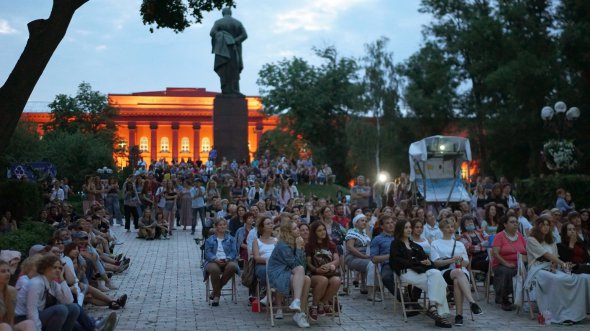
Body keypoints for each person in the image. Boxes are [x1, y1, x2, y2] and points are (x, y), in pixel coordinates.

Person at [524, 217, 590, 325]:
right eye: (543, 225)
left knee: (571, 278)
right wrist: (562, 264)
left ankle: (570, 312)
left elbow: (554, 256)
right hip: (538, 268)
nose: (545, 227)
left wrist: (555, 265)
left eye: (547, 225)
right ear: (537, 226)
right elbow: (546, 254)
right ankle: (556, 313)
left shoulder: (551, 241)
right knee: (558, 279)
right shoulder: (531, 240)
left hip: (551, 267)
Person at [390, 220, 452, 328]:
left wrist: (428, 262)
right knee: (438, 284)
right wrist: (419, 262)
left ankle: (433, 308)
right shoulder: (396, 244)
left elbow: (425, 258)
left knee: (435, 273)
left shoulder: (415, 245)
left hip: (421, 272)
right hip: (406, 273)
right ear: (400, 229)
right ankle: (439, 312)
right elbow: (398, 261)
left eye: (410, 227)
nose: (409, 229)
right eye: (406, 227)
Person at [431, 218, 482, 326]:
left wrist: (461, 261)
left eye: (452, 227)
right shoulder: (436, 243)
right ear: (442, 229)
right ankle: (472, 302)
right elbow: (436, 262)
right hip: (444, 272)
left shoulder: (459, 244)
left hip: (461, 272)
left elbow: (466, 262)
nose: (451, 229)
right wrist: (451, 260)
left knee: (457, 280)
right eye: (447, 227)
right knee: (458, 273)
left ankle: (459, 316)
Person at [15, 255, 80, 331]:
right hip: (24, 318)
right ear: (45, 268)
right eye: (54, 267)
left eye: (60, 268)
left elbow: (69, 301)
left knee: (74, 308)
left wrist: (62, 279)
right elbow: (31, 310)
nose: (58, 270)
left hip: (38, 315)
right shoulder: (36, 283)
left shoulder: (53, 284)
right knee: (60, 309)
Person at [267, 219, 311, 328]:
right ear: (288, 232)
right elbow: (295, 264)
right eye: (295, 228)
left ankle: (299, 311)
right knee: (301, 272)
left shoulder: (294, 242)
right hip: (278, 274)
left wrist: (299, 247)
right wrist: (300, 248)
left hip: (290, 272)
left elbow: (301, 266)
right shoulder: (283, 245)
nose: (298, 230)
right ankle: (298, 309)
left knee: (307, 279)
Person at [305, 221, 341, 321]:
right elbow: (308, 263)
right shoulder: (309, 245)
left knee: (337, 280)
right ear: (314, 233)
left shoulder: (331, 244)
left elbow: (337, 260)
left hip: (330, 272)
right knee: (323, 280)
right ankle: (314, 306)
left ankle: (322, 303)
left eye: (324, 229)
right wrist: (317, 269)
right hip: (314, 274)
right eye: (319, 230)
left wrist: (329, 266)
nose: (323, 232)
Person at [491, 215, 527, 310]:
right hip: (501, 264)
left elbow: (526, 251)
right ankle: (504, 298)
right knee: (507, 271)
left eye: (516, 222)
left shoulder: (520, 236)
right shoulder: (499, 236)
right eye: (512, 222)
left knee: (528, 271)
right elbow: (495, 253)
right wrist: (506, 263)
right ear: (505, 224)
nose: (515, 224)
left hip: (519, 265)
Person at [209, 7, 248, 95]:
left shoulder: (218, 22)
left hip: (222, 50)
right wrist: (235, 40)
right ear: (230, 13)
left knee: (224, 69)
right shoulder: (238, 23)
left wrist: (221, 36)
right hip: (235, 50)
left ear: (223, 13)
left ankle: (225, 90)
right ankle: (235, 90)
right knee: (234, 69)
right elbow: (244, 35)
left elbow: (212, 33)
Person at [203, 218, 238, 307]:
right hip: (213, 261)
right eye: (220, 225)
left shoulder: (231, 239)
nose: (222, 226)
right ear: (216, 227)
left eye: (224, 225)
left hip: (227, 260)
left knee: (233, 266)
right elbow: (207, 253)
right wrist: (215, 259)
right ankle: (217, 297)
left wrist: (228, 258)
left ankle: (215, 292)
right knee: (214, 269)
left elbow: (234, 252)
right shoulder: (210, 239)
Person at [344, 214, 376, 299]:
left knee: (374, 262)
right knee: (371, 264)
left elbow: (369, 245)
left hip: (363, 257)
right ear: (356, 223)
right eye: (362, 220)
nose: (364, 222)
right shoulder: (352, 232)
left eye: (366, 221)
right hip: (352, 258)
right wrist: (363, 256)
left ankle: (364, 285)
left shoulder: (364, 233)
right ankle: (371, 294)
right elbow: (350, 247)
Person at [0, 260, 35, 331]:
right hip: (3, 327)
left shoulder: (11, 291)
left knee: (29, 323)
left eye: (8, 271)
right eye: (3, 271)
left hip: (7, 327)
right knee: (4, 326)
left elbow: (11, 318)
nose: (7, 274)